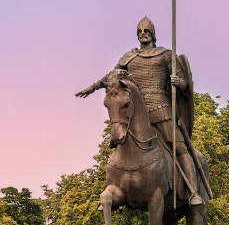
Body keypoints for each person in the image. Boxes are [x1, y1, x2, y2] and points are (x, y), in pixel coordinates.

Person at [77, 17, 212, 206]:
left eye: (146, 31)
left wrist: (177, 82)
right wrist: (92, 88)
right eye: (140, 31)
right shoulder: (129, 57)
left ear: (153, 34)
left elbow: (184, 83)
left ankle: (192, 192)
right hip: (133, 113)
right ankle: (114, 189)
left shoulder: (165, 55)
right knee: (119, 143)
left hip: (160, 108)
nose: (143, 34)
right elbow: (111, 77)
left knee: (180, 148)